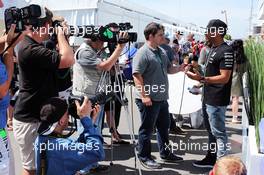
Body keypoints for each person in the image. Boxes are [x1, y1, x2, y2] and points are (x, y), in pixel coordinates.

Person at [13, 6, 74, 175]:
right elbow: (68, 59)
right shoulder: (31, 49)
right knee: (30, 168)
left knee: (40, 165)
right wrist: (61, 35)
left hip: (35, 116)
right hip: (29, 119)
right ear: (46, 25)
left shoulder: (33, 45)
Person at [132, 22, 184, 169]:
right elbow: (136, 76)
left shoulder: (160, 51)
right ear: (151, 36)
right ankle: (144, 156)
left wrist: (179, 68)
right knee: (147, 129)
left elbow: (168, 69)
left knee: (164, 127)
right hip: (149, 99)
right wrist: (144, 96)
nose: (163, 37)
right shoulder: (142, 53)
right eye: (160, 35)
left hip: (161, 98)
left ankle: (165, 153)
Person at [186, 19, 234, 167]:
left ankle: (221, 166)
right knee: (212, 132)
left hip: (217, 99)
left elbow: (224, 77)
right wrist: (197, 72)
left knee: (219, 134)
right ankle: (211, 158)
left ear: (217, 32)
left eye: (208, 30)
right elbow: (211, 72)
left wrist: (201, 78)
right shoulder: (213, 48)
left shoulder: (226, 50)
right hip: (208, 97)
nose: (206, 33)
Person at [72, 24, 128, 143]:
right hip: (86, 98)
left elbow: (110, 69)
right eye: (102, 41)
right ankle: (83, 158)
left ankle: (93, 156)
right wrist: (119, 48)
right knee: (86, 132)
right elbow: (105, 66)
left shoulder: (97, 51)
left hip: (96, 95)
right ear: (93, 39)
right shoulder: (84, 52)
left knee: (94, 130)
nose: (104, 44)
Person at [34, 97, 104, 175]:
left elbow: (75, 148)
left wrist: (90, 122)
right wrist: (86, 120)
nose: (69, 117)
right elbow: (97, 152)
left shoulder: (41, 139)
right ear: (61, 121)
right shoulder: (61, 147)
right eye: (67, 114)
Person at [0, 24, 25, 175]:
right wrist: (9, 49)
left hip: (1, 128)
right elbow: (2, 91)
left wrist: (9, 42)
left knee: (8, 161)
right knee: (4, 165)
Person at [230, 39, 247, 123]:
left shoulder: (230, 55)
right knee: (235, 99)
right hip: (237, 79)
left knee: (226, 98)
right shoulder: (243, 57)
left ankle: (221, 117)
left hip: (227, 77)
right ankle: (234, 117)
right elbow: (245, 70)